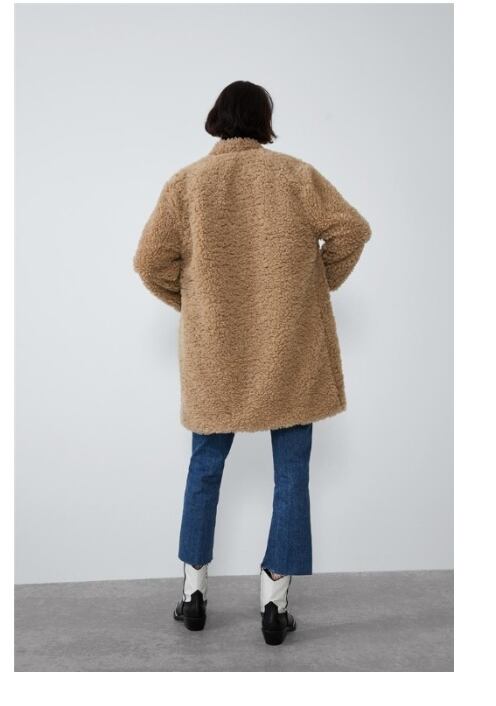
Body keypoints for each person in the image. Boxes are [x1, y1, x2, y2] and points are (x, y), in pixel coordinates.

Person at [134, 80, 371, 645]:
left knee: (204, 468)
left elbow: (148, 262)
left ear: (217, 118)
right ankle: (274, 603)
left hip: (214, 352)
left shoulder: (187, 183)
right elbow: (352, 230)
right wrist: (315, 285)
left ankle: (193, 594)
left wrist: (193, 303)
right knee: (291, 473)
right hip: (289, 347)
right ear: (264, 120)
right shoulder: (295, 176)